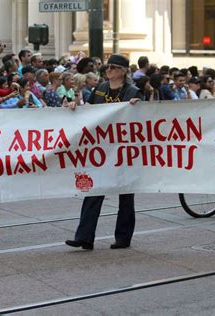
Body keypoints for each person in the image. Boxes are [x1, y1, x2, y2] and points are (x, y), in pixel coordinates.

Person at [65, 54, 142, 250]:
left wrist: (136, 106)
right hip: (102, 151)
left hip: (124, 151)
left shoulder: (133, 91)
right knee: (93, 191)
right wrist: (75, 107)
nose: (108, 70)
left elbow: (141, 120)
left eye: (114, 67)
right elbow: (89, 111)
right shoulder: (100, 89)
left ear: (124, 71)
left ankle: (123, 238)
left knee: (125, 194)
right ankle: (84, 237)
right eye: (108, 67)